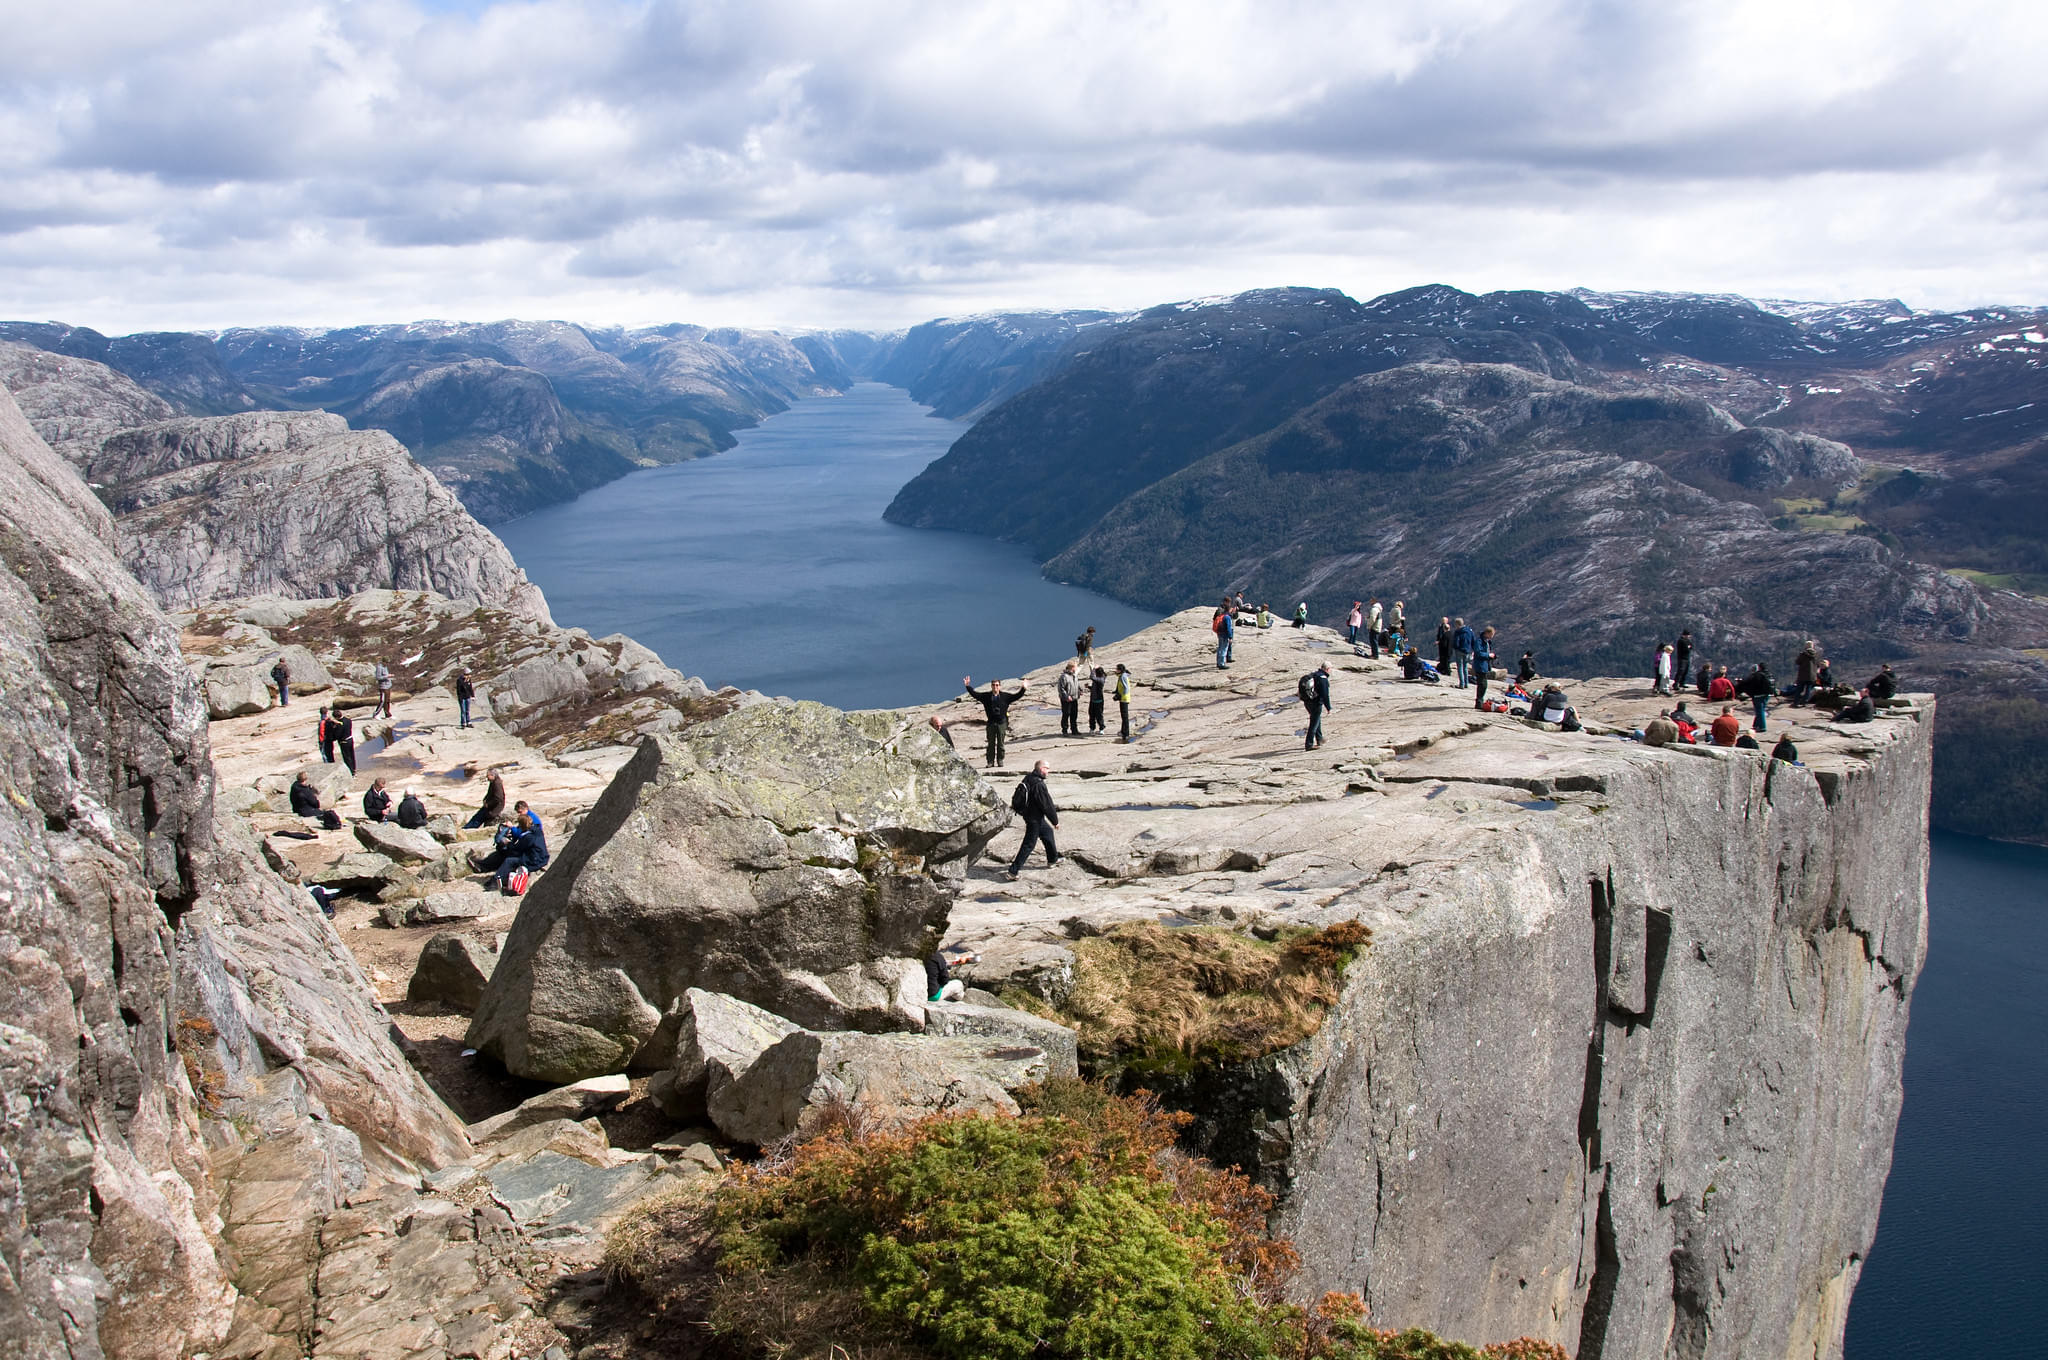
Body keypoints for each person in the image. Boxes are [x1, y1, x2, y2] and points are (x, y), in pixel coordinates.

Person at [469, 802, 549, 890]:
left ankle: (497, 880)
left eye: (519, 812)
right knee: (504, 854)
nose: (518, 814)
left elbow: (517, 848)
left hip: (535, 860)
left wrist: (507, 843)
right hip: (536, 856)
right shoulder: (534, 830)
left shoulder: (529, 836)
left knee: (509, 859)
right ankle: (483, 866)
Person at [1007, 761, 1061, 877]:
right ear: (1041, 769)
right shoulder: (1039, 784)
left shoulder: (1029, 777)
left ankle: (1053, 859)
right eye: (1047, 768)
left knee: (1047, 833)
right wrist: (1055, 821)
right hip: (1034, 819)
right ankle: (1013, 871)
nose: (1048, 771)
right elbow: (1046, 804)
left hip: (1029, 815)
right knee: (1029, 844)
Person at [963, 675, 1027, 768]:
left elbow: (1016, 696)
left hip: (1002, 722)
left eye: (997, 685)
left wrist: (1023, 688)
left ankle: (1000, 760)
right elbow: (975, 694)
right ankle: (990, 762)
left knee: (1001, 743)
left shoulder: (1005, 696)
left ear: (1000, 686)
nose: (995, 687)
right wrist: (968, 686)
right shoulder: (986, 697)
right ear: (991, 686)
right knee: (991, 743)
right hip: (991, 723)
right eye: (993, 685)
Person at [1301, 661, 1333, 750]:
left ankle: (1319, 739)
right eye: (1331, 669)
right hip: (1316, 703)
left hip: (1307, 701)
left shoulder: (1314, 675)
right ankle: (1309, 744)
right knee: (1314, 723)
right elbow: (1325, 694)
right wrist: (1328, 708)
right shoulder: (1322, 678)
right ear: (1327, 669)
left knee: (1316, 719)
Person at [1738, 663, 1774, 732]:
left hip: (1758, 695)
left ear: (1759, 668)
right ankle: (1756, 725)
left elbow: (1750, 683)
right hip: (1767, 695)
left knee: (1760, 711)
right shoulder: (1768, 674)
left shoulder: (1757, 675)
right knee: (1761, 710)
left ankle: (1762, 727)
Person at [1471, 627, 1498, 710]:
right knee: (1482, 684)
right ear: (1487, 633)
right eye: (1491, 635)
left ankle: (1480, 702)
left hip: (1484, 665)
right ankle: (1479, 702)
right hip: (1480, 665)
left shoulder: (1486, 642)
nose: (1492, 637)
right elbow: (1478, 653)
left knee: (1482, 684)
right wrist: (1488, 655)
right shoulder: (1479, 641)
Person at [1450, 617, 1477, 688]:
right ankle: (1466, 683)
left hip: (1459, 651)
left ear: (1457, 624)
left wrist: (1455, 647)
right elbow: (1473, 640)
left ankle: (1461, 684)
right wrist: (1473, 650)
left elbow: (1456, 642)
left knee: (1460, 667)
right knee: (1465, 667)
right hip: (1467, 651)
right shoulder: (1470, 631)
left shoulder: (1458, 632)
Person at [1058, 661, 1082, 735]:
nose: (1077, 668)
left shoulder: (1074, 675)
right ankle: (1064, 730)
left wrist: (1079, 690)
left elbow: (1076, 684)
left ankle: (1074, 730)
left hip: (1074, 698)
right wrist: (1066, 696)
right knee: (1066, 714)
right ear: (1072, 667)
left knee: (1074, 714)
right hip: (1066, 699)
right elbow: (1061, 688)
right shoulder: (1064, 676)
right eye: (1076, 667)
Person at [330, 707, 357, 774]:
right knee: (352, 756)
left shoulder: (340, 725)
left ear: (336, 717)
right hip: (350, 739)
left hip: (344, 742)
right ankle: (354, 769)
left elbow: (337, 736)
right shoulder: (348, 720)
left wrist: (334, 728)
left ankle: (351, 772)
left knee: (347, 758)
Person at [1793, 641, 1819, 706]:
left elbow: (1798, 662)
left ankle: (1796, 702)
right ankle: (1804, 702)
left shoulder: (1803, 654)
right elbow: (1818, 664)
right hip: (1812, 675)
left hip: (1803, 674)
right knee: (1808, 689)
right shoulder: (1816, 654)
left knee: (1799, 689)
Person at [1114, 663, 1134, 742]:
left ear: (1120, 670)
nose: (1115, 670)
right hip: (1124, 698)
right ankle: (1123, 731)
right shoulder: (1122, 675)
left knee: (1125, 717)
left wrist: (1121, 696)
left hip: (1124, 699)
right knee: (1124, 716)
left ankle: (1126, 734)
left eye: (1117, 669)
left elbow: (1126, 688)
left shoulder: (1123, 677)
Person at [1213, 604, 1235, 669]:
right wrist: (1230, 637)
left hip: (1219, 633)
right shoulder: (1227, 617)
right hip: (1225, 634)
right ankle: (1222, 664)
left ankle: (1218, 662)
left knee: (1220, 648)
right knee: (1224, 649)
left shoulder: (1221, 615)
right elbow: (1228, 628)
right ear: (1229, 609)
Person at [1088, 666, 1107, 735]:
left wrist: (1093, 669)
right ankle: (1092, 728)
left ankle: (1101, 728)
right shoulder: (1098, 679)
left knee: (1099, 715)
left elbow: (1092, 677)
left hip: (1098, 701)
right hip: (1093, 700)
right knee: (1091, 715)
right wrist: (1089, 687)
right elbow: (1095, 687)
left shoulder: (1101, 679)